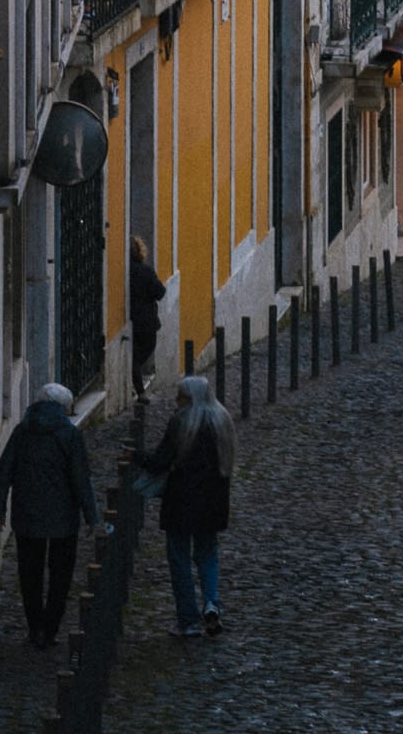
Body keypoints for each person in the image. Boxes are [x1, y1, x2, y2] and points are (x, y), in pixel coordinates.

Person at [0, 382, 99, 650]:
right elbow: (80, 479)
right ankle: (50, 629)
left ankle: (34, 626)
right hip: (63, 517)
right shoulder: (69, 435)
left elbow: (4, 470)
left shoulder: (22, 431)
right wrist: (92, 517)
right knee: (60, 576)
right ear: (63, 407)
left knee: (30, 574)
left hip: (27, 514)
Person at [142, 372, 235, 637]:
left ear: (189, 398)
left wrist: (135, 456)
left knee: (180, 559)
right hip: (214, 501)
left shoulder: (181, 422)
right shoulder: (222, 420)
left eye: (180, 396)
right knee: (207, 554)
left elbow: (160, 461)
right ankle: (211, 603)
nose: (176, 400)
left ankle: (188, 619)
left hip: (181, 501)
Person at [129, 234, 166, 401]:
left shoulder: (125, 272)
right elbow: (160, 292)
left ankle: (138, 389)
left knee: (135, 357)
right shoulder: (145, 271)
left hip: (131, 318)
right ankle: (140, 392)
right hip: (146, 321)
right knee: (139, 356)